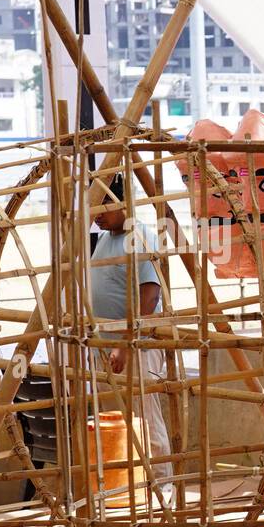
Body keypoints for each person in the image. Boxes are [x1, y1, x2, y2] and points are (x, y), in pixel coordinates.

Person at [90, 174, 171, 486]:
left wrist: (125, 344)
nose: (97, 212)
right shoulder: (106, 240)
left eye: (103, 204)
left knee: (146, 418)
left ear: (122, 203)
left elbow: (149, 296)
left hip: (135, 347)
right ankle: (129, 485)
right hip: (107, 346)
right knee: (120, 421)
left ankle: (163, 484)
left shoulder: (139, 236)